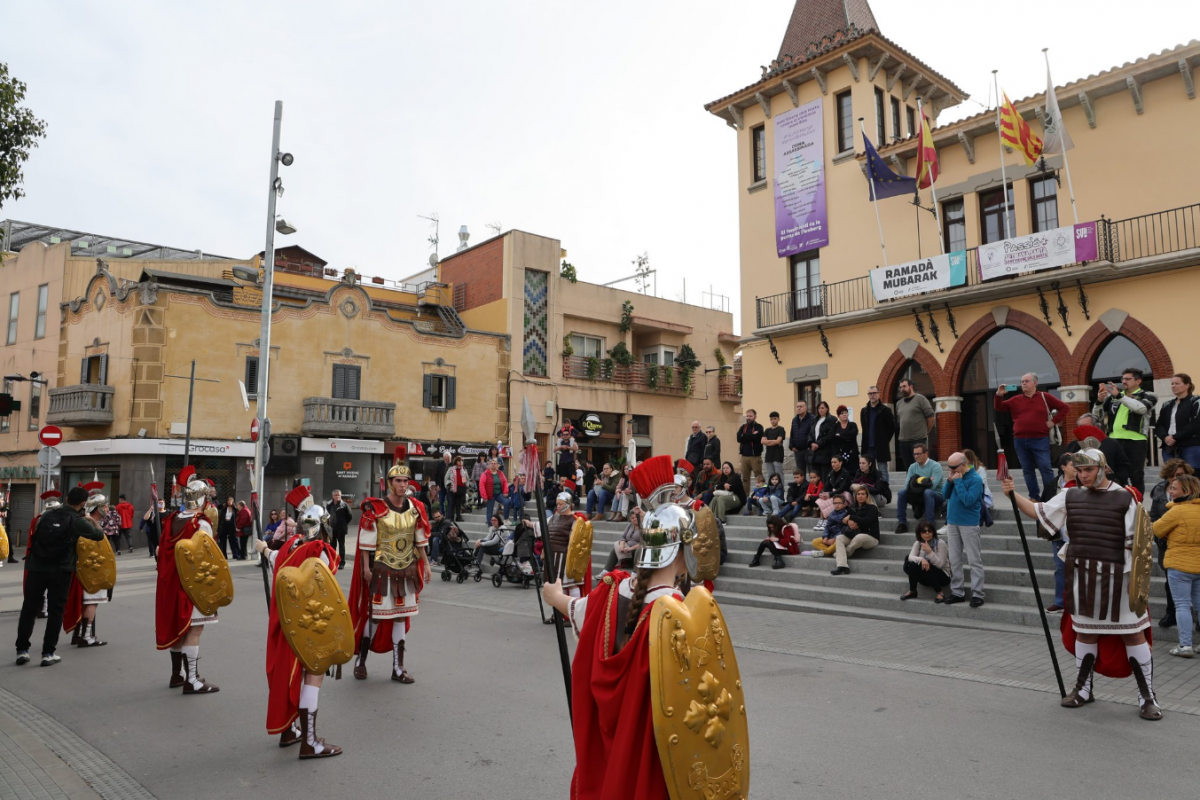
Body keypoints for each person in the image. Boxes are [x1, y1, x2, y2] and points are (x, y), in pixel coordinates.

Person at [541, 454, 743, 800]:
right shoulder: (678, 614)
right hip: (655, 755)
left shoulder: (610, 589)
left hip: (615, 739)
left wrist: (553, 595)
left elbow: (575, 609)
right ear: (683, 551)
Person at [1003, 448, 1162, 721]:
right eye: (1078, 470)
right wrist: (1012, 494)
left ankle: (1147, 696)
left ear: (1102, 468)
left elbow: (1140, 543)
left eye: (1087, 470)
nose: (1082, 475)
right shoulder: (1069, 495)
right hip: (1083, 576)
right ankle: (1083, 689)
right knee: (1086, 634)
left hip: (1119, 578)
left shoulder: (1125, 498)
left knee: (1132, 635)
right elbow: (1039, 512)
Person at [257, 486, 344, 759]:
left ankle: (289, 730)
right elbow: (323, 585)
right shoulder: (321, 551)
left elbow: (275, 559)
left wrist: (263, 549)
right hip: (309, 624)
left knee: (290, 675)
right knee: (313, 676)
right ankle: (310, 742)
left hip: (286, 624)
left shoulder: (291, 546)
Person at [349, 464, 431, 683]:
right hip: (382, 568)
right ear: (389, 482)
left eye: (406, 481)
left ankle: (398, 667)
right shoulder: (376, 508)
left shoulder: (415, 507)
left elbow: (420, 539)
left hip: (408, 569)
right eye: (398, 481)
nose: (403, 485)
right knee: (375, 616)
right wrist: (366, 569)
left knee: (401, 616)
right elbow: (366, 542)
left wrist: (427, 565)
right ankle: (361, 660)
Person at [15, 486, 105, 667]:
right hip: (61, 570)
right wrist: (90, 520)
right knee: (56, 612)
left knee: (29, 610)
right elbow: (99, 535)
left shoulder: (46, 516)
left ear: (65, 498)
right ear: (82, 504)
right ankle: (48, 653)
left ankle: (22, 650)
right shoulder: (77, 520)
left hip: (37, 567)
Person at [155, 467, 222, 693]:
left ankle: (177, 674)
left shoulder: (171, 519)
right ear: (203, 499)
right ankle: (192, 680)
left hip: (170, 582)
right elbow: (207, 557)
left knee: (178, 629)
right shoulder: (199, 523)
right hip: (191, 585)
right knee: (194, 630)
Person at [995, 373, 1070, 500]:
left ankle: (1050, 496)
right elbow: (999, 407)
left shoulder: (1044, 397)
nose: (1023, 383)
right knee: (1027, 470)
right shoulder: (1016, 399)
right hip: (1020, 440)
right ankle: (1034, 497)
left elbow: (1065, 408)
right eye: (1022, 381)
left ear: (1035, 383)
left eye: (1027, 381)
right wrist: (999, 395)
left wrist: (1052, 422)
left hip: (1040, 439)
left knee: (1045, 468)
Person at [1153, 474, 1200, 658]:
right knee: (1198, 604)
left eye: (1174, 488)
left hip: (1179, 564)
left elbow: (1156, 529)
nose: (1170, 491)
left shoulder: (1176, 511)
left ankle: (1185, 645)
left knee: (1181, 605)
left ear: (1186, 491)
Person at [63, 484, 115, 648]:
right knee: (91, 602)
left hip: (85, 572)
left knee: (86, 603)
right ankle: (86, 637)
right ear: (97, 508)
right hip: (92, 572)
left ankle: (78, 635)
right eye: (104, 505)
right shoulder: (89, 526)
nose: (107, 508)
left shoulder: (82, 522)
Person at [1094, 367, 1156, 495]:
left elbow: (1141, 408)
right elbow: (1097, 416)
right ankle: (1116, 502)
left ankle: (1138, 506)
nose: (1124, 381)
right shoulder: (1113, 397)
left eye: (1128, 379)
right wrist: (1099, 401)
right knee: (1113, 473)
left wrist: (1120, 396)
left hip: (1136, 440)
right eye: (1123, 379)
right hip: (1113, 440)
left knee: (1136, 475)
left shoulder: (1148, 395)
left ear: (1138, 381)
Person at [1150, 459, 1193, 629]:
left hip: (1188, 543)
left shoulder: (1194, 490)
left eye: (1180, 475)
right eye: (1172, 475)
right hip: (1165, 543)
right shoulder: (1160, 490)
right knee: (1170, 582)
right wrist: (1158, 536)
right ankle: (1171, 613)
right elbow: (1154, 516)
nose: (1175, 478)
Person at [940, 452, 987, 607]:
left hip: (969, 524)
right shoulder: (954, 476)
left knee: (974, 560)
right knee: (954, 560)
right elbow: (944, 495)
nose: (952, 470)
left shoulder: (975, 479)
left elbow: (968, 500)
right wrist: (949, 480)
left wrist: (958, 482)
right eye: (949, 467)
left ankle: (978, 594)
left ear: (963, 464)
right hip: (952, 523)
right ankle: (957, 592)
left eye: (954, 467)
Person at [1067, 415, 1131, 489]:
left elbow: (1123, 466)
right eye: (1079, 426)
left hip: (1108, 486)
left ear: (1096, 427)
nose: (1082, 429)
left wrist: (1115, 481)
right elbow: (1064, 465)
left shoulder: (1112, 444)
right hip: (1080, 487)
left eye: (1085, 426)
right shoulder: (1073, 446)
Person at [894, 443, 945, 533]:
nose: (916, 456)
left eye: (919, 454)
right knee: (902, 493)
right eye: (915, 454)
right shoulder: (912, 467)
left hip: (936, 496)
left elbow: (932, 486)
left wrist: (915, 482)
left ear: (926, 454)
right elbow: (907, 486)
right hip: (917, 496)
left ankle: (930, 524)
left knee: (928, 492)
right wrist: (925, 481)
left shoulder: (935, 466)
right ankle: (902, 523)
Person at [830, 485, 880, 575]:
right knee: (840, 538)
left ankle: (843, 554)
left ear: (867, 496)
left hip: (871, 537)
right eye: (858, 494)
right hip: (854, 534)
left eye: (863, 494)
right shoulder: (852, 507)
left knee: (859, 537)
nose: (860, 496)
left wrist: (851, 517)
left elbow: (866, 522)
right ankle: (842, 566)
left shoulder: (872, 508)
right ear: (855, 496)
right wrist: (849, 521)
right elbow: (843, 520)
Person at [1155, 373, 1200, 470]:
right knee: (1171, 475)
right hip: (1169, 446)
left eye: (1177, 383)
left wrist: (1175, 437)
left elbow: (1195, 424)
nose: (1174, 386)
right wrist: (1165, 437)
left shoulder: (1196, 401)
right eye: (1172, 384)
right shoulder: (1167, 404)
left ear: (1187, 385)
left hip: (1190, 445)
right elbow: (1159, 425)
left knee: (1192, 475)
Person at [900, 521, 951, 601]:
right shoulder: (918, 543)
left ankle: (940, 593)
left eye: (929, 531)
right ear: (919, 533)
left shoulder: (940, 543)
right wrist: (922, 559)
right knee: (913, 564)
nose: (927, 533)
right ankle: (912, 591)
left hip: (942, 576)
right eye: (924, 531)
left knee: (927, 566)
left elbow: (940, 564)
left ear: (933, 532)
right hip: (925, 577)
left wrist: (929, 551)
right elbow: (910, 557)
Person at [894, 378, 936, 472]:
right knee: (908, 469)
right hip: (903, 440)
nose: (902, 389)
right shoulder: (899, 403)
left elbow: (931, 417)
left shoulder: (920, 399)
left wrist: (926, 431)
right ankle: (910, 486)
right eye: (900, 387)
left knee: (920, 467)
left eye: (904, 386)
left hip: (918, 440)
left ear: (911, 386)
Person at [860, 386, 896, 481]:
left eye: (874, 393)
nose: (872, 395)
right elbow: (864, 428)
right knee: (868, 470)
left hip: (880, 446)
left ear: (878, 394)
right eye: (870, 393)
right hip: (868, 446)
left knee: (882, 469)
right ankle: (870, 490)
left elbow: (892, 428)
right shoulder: (864, 411)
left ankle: (885, 492)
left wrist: (884, 440)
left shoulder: (885, 410)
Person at [814, 453, 853, 530]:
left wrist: (830, 494)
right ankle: (821, 520)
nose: (833, 464)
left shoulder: (846, 473)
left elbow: (842, 488)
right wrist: (822, 493)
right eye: (832, 462)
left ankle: (826, 520)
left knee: (831, 501)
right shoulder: (830, 474)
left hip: (844, 495)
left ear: (840, 463)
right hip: (834, 493)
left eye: (835, 462)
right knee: (822, 499)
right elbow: (826, 486)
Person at [808, 494, 849, 558]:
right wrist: (825, 537)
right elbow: (827, 526)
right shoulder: (832, 513)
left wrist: (834, 539)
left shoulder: (847, 514)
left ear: (844, 504)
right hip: (830, 536)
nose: (837, 505)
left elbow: (844, 529)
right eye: (835, 503)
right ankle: (832, 552)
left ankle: (824, 552)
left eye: (839, 503)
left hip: (839, 537)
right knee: (815, 541)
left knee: (837, 543)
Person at [603, 506, 643, 572]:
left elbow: (644, 543)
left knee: (638, 550)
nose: (634, 519)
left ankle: (635, 573)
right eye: (632, 518)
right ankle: (605, 571)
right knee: (615, 550)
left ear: (640, 517)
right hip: (626, 549)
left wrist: (631, 548)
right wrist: (622, 545)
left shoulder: (643, 527)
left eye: (636, 517)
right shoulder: (630, 525)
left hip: (636, 550)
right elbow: (623, 537)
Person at [962, 449, 994, 527]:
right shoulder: (961, 469)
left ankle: (980, 521)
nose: (962, 460)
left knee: (977, 499)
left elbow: (981, 483)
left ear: (969, 458)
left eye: (964, 458)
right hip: (968, 493)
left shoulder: (980, 469)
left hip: (982, 493)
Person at [736, 409, 765, 491]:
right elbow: (738, 438)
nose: (748, 418)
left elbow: (756, 438)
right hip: (744, 456)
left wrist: (744, 436)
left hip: (755, 457)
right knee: (745, 479)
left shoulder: (759, 427)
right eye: (747, 416)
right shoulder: (743, 427)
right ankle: (746, 497)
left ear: (755, 417)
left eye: (750, 416)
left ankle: (761, 495)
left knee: (759, 477)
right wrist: (751, 435)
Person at [788, 400, 816, 480]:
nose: (799, 408)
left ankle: (814, 489)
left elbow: (813, 433)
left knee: (812, 471)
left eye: (801, 406)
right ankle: (803, 490)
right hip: (798, 451)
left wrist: (810, 445)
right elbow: (792, 433)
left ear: (806, 408)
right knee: (800, 472)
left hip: (808, 449)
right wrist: (791, 446)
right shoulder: (795, 420)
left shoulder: (812, 418)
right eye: (797, 407)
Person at [325, 490, 352, 564]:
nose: (337, 497)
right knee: (332, 546)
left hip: (341, 529)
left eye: (339, 495)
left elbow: (349, 516)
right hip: (332, 529)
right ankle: (333, 561)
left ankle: (342, 562)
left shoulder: (344, 505)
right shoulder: (329, 504)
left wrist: (344, 524)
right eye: (336, 495)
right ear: (332, 496)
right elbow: (326, 515)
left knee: (341, 546)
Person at [479, 459, 510, 523]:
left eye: (495, 463)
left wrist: (505, 492)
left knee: (507, 502)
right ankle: (490, 525)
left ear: (497, 465)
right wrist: (484, 496)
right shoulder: (485, 474)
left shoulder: (500, 473)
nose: (493, 465)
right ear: (489, 465)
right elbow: (481, 486)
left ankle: (506, 519)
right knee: (489, 510)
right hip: (490, 495)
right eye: (492, 463)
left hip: (499, 494)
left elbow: (505, 482)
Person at [810, 401, 834, 482]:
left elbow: (829, 435)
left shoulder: (832, 420)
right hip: (815, 452)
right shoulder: (814, 420)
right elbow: (810, 433)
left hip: (825, 451)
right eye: (819, 408)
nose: (820, 410)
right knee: (816, 476)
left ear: (827, 409)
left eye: (823, 408)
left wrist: (818, 443)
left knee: (825, 476)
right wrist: (811, 443)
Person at [761, 412, 787, 482]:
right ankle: (770, 490)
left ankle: (780, 490)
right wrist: (773, 441)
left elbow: (778, 441)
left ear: (778, 419)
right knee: (770, 475)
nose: (773, 420)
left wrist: (768, 442)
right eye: (771, 419)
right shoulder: (767, 430)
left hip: (778, 454)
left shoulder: (781, 429)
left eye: (775, 419)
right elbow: (762, 441)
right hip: (769, 454)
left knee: (779, 474)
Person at [444, 455, 468, 522]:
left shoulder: (464, 469)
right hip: (452, 488)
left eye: (462, 461)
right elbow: (446, 477)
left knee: (458, 503)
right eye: (459, 461)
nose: (461, 462)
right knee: (452, 502)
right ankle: (451, 517)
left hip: (461, 488)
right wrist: (448, 485)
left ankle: (458, 517)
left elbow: (467, 478)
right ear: (456, 461)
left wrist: (467, 485)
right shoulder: (451, 469)